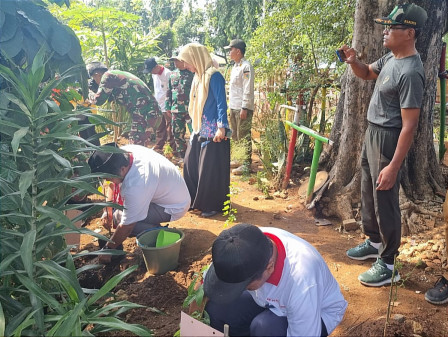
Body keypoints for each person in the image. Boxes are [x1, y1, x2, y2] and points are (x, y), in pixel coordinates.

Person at [342, 3, 427, 286]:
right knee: (368, 189)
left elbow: (410, 125)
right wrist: (354, 61)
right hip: (372, 133)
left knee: (385, 198)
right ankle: (374, 241)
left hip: (390, 138)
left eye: (392, 28)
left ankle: (389, 263)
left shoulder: (412, 71)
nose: (386, 32)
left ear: (410, 33)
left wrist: (394, 165)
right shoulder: (392, 58)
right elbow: (366, 73)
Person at [202, 223, 347, 336]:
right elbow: (207, 283)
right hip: (269, 299)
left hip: (316, 312)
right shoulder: (242, 243)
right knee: (217, 310)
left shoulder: (302, 281)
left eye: (246, 285)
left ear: (269, 267)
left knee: (264, 328)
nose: (242, 288)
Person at [88, 143, 191, 263]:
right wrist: (108, 210)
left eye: (109, 177)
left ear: (122, 169)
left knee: (120, 217)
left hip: (174, 205)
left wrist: (108, 249)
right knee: (118, 213)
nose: (108, 181)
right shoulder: (122, 154)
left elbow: (127, 226)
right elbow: (111, 184)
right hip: (165, 191)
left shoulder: (137, 184)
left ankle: (159, 234)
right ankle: (149, 225)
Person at [176, 43, 231, 218]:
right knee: (191, 163)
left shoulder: (214, 77)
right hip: (199, 128)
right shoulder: (199, 76)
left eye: (187, 61)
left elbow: (222, 103)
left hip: (214, 131)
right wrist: (194, 127)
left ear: (196, 58)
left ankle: (212, 205)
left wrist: (221, 127)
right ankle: (194, 200)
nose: (185, 66)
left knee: (210, 169)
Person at [86, 62, 161, 146]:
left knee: (136, 145)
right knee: (140, 143)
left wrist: (89, 94)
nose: (94, 81)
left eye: (93, 78)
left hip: (144, 113)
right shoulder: (115, 74)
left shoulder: (107, 76)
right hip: (148, 111)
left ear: (97, 74)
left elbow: (98, 101)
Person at [224, 39, 255, 176]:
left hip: (243, 107)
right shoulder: (235, 66)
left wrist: (245, 107)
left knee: (243, 135)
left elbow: (248, 88)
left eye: (231, 50)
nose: (229, 52)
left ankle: (246, 164)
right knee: (235, 135)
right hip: (234, 106)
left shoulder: (246, 67)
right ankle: (238, 159)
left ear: (238, 51)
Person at [165, 53, 194, 160]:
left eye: (177, 60)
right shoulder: (173, 74)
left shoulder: (192, 73)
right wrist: (167, 105)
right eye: (174, 61)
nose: (175, 63)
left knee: (194, 132)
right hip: (175, 109)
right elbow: (169, 90)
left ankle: (194, 154)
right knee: (177, 134)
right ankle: (183, 156)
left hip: (189, 110)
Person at [143, 57, 175, 153]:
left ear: (156, 66)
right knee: (160, 128)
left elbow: (172, 91)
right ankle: (159, 147)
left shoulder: (168, 74)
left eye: (151, 70)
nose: (151, 73)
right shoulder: (154, 75)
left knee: (170, 128)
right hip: (158, 105)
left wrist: (170, 106)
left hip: (168, 106)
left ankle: (173, 149)